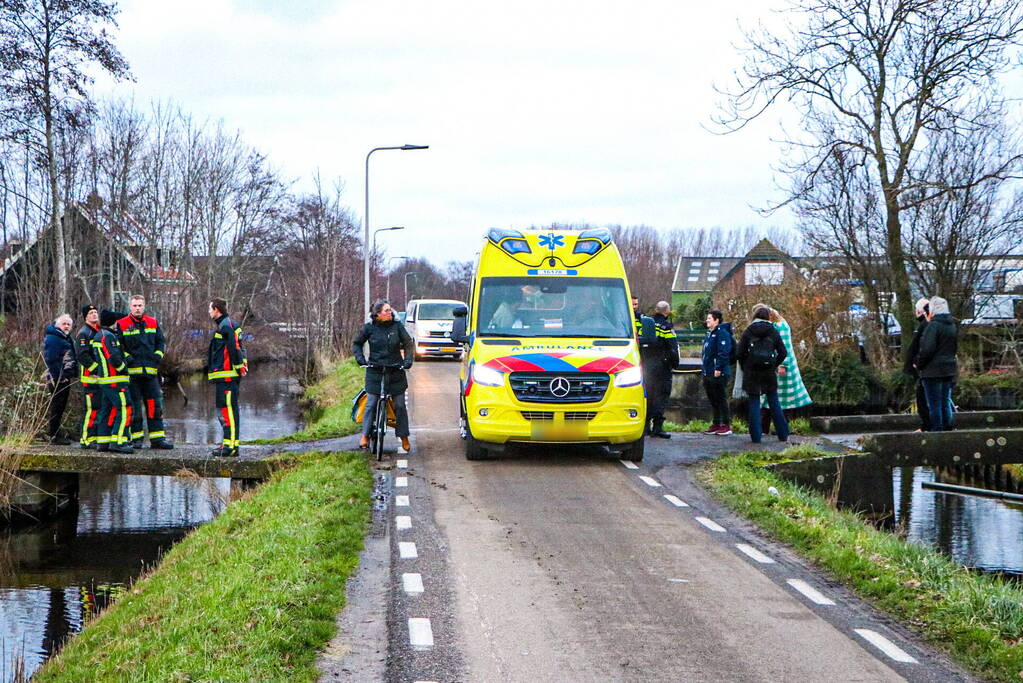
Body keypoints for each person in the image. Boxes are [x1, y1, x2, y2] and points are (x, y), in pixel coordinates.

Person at [353, 300, 415, 454]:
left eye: (390, 310)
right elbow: (357, 343)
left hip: (395, 370)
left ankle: (403, 436)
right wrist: (361, 360)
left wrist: (407, 361)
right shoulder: (370, 328)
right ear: (378, 313)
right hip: (375, 370)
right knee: (371, 403)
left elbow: (408, 343)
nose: (390, 312)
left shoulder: (397, 327)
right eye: (387, 310)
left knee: (400, 405)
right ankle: (365, 435)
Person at [116, 295, 174, 449]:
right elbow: (119, 346)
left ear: (144, 306)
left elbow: (160, 341)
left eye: (140, 305)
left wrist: (158, 355)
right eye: (134, 305)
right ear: (130, 306)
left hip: (150, 373)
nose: (137, 308)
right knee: (135, 408)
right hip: (132, 374)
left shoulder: (152, 322)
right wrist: (127, 358)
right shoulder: (122, 324)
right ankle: (137, 440)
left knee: (155, 406)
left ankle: (157, 439)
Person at [736, 305, 789, 444]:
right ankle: (783, 435)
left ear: (754, 316)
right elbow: (783, 352)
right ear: (768, 317)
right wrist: (773, 365)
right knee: (774, 402)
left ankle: (756, 437)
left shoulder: (748, 331)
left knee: (754, 403)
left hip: (751, 372)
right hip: (768, 372)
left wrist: (745, 366)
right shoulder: (773, 330)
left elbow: (739, 353)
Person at [761, 306, 812, 434]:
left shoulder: (780, 326)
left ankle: (780, 428)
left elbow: (784, 347)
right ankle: (773, 428)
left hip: (782, 368)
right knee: (774, 400)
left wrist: (782, 365)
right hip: (778, 366)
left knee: (783, 401)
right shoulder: (777, 325)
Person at [206, 298, 248, 457]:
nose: (209, 312)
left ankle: (230, 447)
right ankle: (230, 444)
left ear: (216, 310)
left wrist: (238, 368)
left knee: (227, 410)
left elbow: (235, 349)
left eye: (210, 309)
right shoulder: (226, 325)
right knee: (228, 410)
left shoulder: (226, 326)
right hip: (225, 376)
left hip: (228, 377)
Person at [90, 309, 134, 453]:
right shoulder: (108, 336)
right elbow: (114, 358)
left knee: (106, 410)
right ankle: (118, 441)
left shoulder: (98, 335)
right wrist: (124, 368)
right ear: (113, 322)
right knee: (124, 408)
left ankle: (103, 442)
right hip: (115, 380)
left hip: (106, 380)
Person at [914, 295, 958, 432]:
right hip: (949, 369)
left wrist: (918, 364)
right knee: (945, 402)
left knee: (934, 404)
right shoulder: (951, 326)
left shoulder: (933, 326)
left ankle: (936, 432)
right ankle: (947, 428)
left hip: (932, 371)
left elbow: (927, 349)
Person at [640, 301, 680, 438]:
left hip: (646, 367)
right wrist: (675, 364)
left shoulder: (646, 325)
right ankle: (658, 427)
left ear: (656, 310)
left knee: (648, 397)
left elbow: (640, 343)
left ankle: (645, 427)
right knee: (661, 396)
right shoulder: (666, 327)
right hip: (662, 368)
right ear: (667, 311)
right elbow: (673, 348)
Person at [42, 314, 76, 445]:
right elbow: (51, 359)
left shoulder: (64, 338)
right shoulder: (54, 338)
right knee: (57, 406)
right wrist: (60, 377)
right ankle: (54, 435)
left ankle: (55, 433)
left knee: (61, 406)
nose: (66, 326)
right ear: (57, 325)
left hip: (64, 378)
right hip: (57, 379)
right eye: (64, 324)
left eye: (69, 324)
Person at [700, 310, 734, 435]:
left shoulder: (722, 333)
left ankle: (726, 424)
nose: (707, 320)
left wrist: (718, 368)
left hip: (719, 372)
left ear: (716, 320)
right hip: (708, 371)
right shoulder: (710, 334)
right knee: (713, 398)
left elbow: (723, 352)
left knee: (721, 398)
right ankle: (716, 423)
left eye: (709, 318)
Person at [75, 305, 102, 449]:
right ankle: (86, 439)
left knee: (98, 409)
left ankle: (95, 437)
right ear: (86, 317)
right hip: (89, 378)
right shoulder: (84, 333)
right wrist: (96, 369)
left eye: (95, 312)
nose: (94, 315)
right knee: (91, 410)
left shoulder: (98, 331)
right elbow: (82, 355)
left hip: (99, 379)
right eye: (91, 313)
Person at [903, 298, 931, 432]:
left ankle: (928, 427)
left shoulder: (925, 326)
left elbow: (922, 348)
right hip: (927, 368)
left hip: (924, 369)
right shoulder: (928, 326)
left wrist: (916, 364)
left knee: (924, 398)